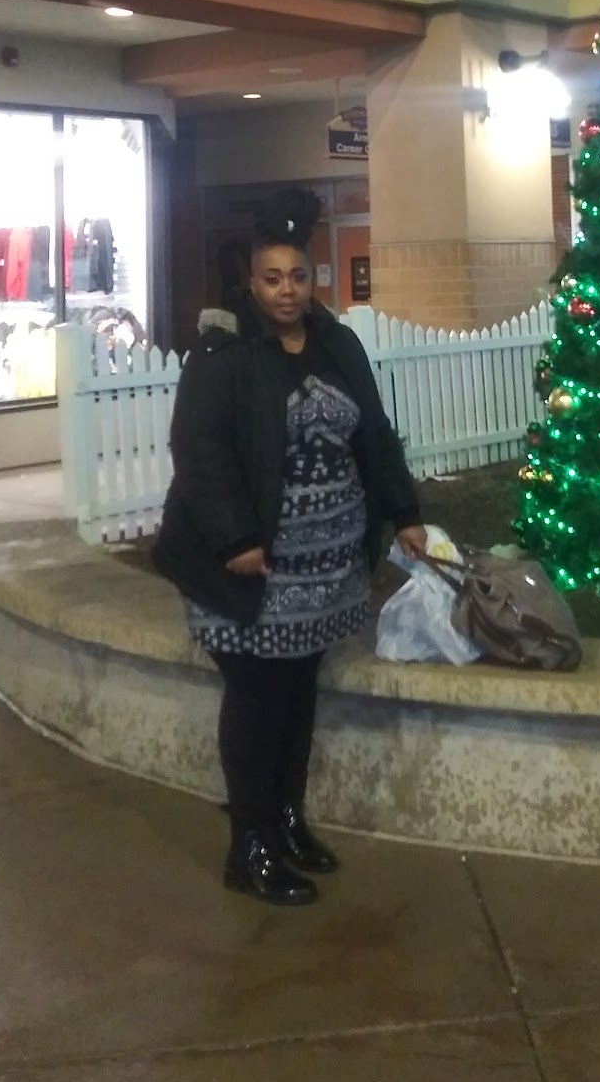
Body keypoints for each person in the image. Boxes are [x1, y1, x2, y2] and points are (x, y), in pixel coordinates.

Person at [152, 187, 425, 907]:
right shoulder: (224, 354)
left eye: (298, 276)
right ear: (252, 282)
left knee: (299, 691)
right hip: (253, 568)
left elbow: (375, 434)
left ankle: (287, 821)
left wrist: (403, 511)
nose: (286, 290)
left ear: (312, 278)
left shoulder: (338, 344)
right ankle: (248, 845)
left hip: (326, 563)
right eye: (272, 278)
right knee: (257, 697)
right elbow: (200, 453)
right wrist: (236, 538)